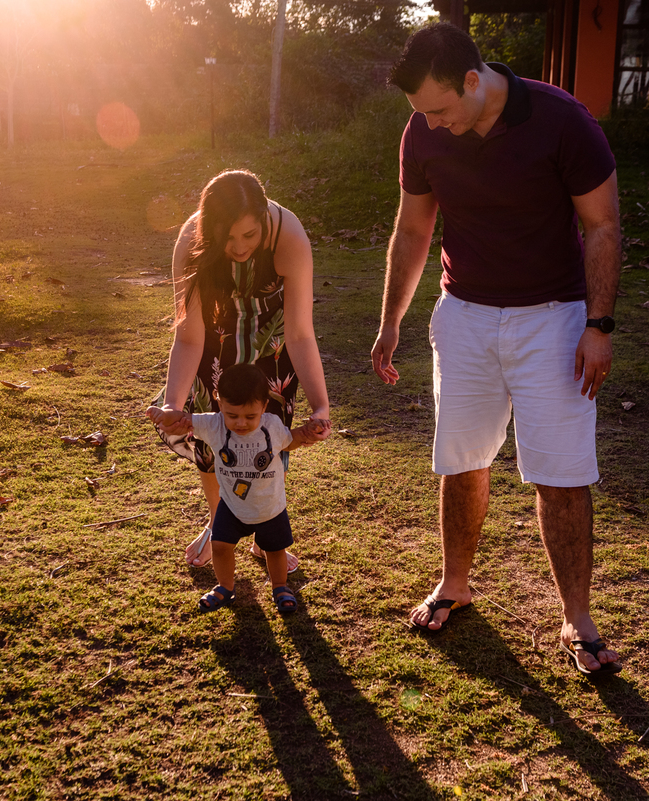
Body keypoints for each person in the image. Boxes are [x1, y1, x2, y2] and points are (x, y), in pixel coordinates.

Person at [371, 23, 623, 677]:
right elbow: (413, 225)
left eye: (440, 108)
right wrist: (391, 318)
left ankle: (577, 617)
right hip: (466, 316)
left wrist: (599, 324)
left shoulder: (563, 121)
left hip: (556, 318)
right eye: (421, 113)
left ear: (475, 81)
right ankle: (454, 583)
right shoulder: (423, 131)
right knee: (461, 458)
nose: (431, 123)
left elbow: (602, 225)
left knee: (561, 473)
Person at [152, 169, 332, 572]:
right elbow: (187, 338)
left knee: (265, 440)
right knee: (213, 439)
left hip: (271, 337)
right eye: (226, 237)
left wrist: (320, 406)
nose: (237, 247)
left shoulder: (288, 236)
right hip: (213, 337)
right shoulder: (191, 242)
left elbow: (301, 333)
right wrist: (173, 405)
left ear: (264, 221)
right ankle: (221, 522)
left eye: (248, 236)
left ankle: (266, 531)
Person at [148, 364, 325, 612]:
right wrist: (166, 415)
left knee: (275, 551)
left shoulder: (272, 425)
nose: (241, 423)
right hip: (231, 505)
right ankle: (225, 587)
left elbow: (289, 441)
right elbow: (184, 420)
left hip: (269, 507)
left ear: (264, 406)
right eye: (232, 415)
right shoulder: (213, 424)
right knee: (220, 546)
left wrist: (307, 431)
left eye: (250, 416)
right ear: (219, 403)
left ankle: (280, 587)